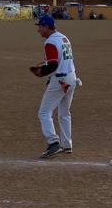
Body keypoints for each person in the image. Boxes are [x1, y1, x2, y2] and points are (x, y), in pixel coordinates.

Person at [30, 12, 79, 159]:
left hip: (60, 80)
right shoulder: (64, 38)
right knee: (64, 113)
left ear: (46, 27)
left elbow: (53, 65)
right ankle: (66, 144)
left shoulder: (50, 42)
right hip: (71, 77)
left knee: (44, 112)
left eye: (40, 27)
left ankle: (53, 143)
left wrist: (41, 72)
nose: (38, 30)